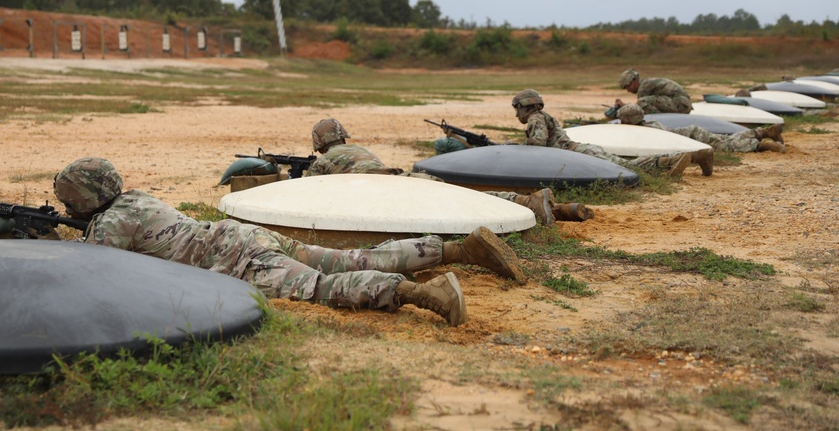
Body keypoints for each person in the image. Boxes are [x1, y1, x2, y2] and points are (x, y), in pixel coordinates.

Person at [53, 157, 530, 328]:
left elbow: (95, 273)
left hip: (239, 261)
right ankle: (459, 250)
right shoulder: (134, 199)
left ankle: (424, 294)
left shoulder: (109, 226)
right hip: (243, 237)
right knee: (350, 258)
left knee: (322, 287)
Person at [307, 118, 568, 225]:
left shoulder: (323, 161)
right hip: (400, 178)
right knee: (461, 194)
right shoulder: (358, 148)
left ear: (319, 142)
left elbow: (306, 193)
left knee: (456, 204)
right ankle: (525, 201)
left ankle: (530, 204)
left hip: (385, 192)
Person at [511, 89, 711, 176]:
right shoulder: (543, 116)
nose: (516, 114)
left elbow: (537, 145)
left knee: (629, 167)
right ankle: (685, 158)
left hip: (579, 154)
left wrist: (515, 149)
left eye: (516, 108)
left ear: (524, 106)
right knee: (626, 165)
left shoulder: (535, 118)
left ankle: (671, 161)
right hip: (582, 151)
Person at [616, 103, 785, 153]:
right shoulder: (649, 125)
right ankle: (762, 132)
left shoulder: (645, 132)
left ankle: (760, 145)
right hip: (691, 132)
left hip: (691, 138)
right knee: (726, 139)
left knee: (726, 146)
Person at [615, 69, 693, 114]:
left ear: (634, 81)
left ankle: (659, 120)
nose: (628, 90)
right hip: (682, 103)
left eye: (628, 86)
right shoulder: (646, 83)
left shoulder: (644, 87)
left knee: (641, 102)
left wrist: (624, 107)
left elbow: (639, 110)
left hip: (680, 103)